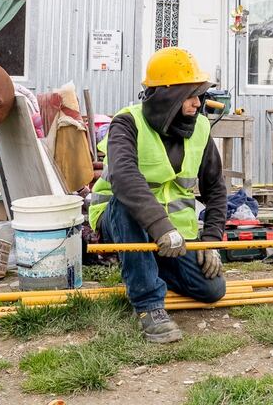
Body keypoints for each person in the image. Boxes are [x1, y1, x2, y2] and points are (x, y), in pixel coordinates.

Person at [88, 47, 227, 343]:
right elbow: (125, 179)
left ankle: (148, 265)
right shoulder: (127, 123)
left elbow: (216, 189)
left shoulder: (200, 128)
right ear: (167, 95)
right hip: (119, 218)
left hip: (173, 234)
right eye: (190, 94)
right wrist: (161, 227)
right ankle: (149, 306)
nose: (197, 102)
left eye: (200, 94)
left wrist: (211, 240)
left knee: (212, 290)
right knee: (125, 204)